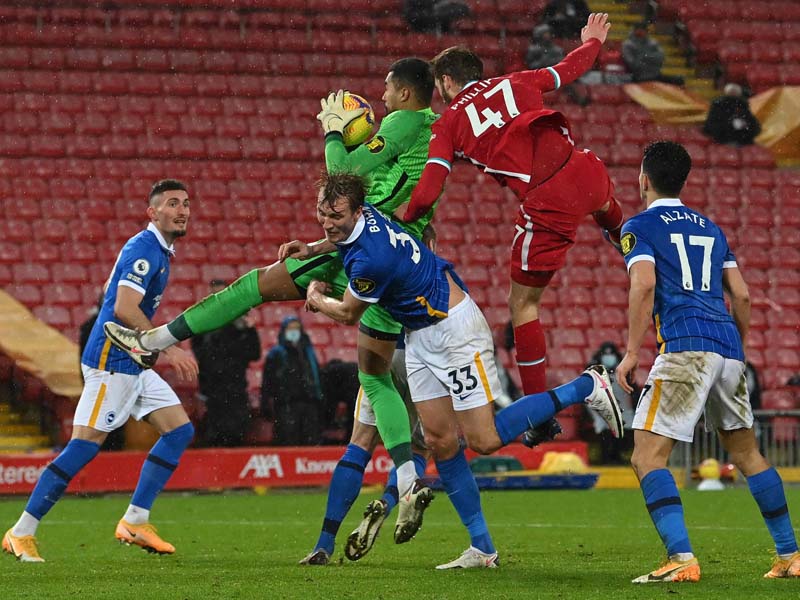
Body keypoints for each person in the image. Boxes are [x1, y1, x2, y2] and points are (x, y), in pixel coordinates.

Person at [104, 58, 454, 547]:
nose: (383, 97)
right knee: (374, 377)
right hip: (404, 256)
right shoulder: (436, 128)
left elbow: (344, 176)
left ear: (405, 92)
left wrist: (335, 133)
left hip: (368, 245)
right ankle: (406, 478)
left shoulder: (404, 121)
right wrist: (316, 244)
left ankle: (155, 340)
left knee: (251, 287)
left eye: (388, 88)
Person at [298, 172, 624, 569]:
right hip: (419, 335)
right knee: (439, 441)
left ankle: (586, 386)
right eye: (321, 212)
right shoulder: (370, 218)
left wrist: (316, 297)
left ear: (358, 211)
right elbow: (339, 240)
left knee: (483, 440)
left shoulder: (371, 258)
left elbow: (349, 313)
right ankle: (483, 549)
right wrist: (312, 247)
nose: (327, 222)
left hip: (454, 330)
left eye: (335, 215)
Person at [401, 13, 624, 444]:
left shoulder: (447, 122)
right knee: (606, 206)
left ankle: (539, 414)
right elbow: (569, 70)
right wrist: (594, 42)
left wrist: (405, 218)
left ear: (447, 82)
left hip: (545, 200)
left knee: (523, 306)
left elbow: (428, 191)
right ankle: (633, 247)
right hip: (582, 168)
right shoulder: (516, 80)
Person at [614, 141, 800, 583]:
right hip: (727, 346)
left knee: (646, 457)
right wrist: (740, 346)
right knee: (748, 453)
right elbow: (743, 294)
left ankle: (681, 558)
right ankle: (790, 555)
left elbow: (642, 285)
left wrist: (632, 352)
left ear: (644, 178)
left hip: (683, 345)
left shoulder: (640, 225)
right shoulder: (711, 228)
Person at [2, 180, 198, 562]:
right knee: (83, 448)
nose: (182, 210)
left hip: (133, 360)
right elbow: (124, 307)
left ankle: (135, 520)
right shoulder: (145, 249)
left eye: (186, 203)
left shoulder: (154, 250)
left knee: (179, 430)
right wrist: (168, 346)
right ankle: (21, 532)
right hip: (112, 363)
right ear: (152, 212)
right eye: (173, 203)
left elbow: (112, 290)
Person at [299, 224, 437, 566]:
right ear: (429, 243)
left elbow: (349, 302)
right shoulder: (431, 271)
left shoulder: (377, 259)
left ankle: (324, 544)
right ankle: (392, 502)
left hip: (383, 355)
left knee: (360, 443)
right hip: (423, 361)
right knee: (419, 447)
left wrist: (319, 293)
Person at [191, 279, 260, 447]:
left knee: (237, 434)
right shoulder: (202, 321)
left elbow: (254, 354)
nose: (219, 299)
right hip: (213, 391)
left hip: (236, 389)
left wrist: (249, 330)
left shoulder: (240, 321)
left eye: (222, 294)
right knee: (215, 436)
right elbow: (199, 351)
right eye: (215, 295)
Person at [262, 316, 323, 446]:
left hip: (309, 402)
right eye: (290, 328)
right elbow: (268, 380)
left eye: (297, 328)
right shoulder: (277, 353)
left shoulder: (308, 351)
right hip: (286, 404)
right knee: (288, 439)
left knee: (310, 439)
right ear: (284, 331)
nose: (294, 331)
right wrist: (266, 402)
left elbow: (316, 375)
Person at [587, 341, 636, 463]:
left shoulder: (624, 373)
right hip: (599, 410)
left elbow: (633, 393)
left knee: (626, 423)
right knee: (605, 425)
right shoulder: (592, 372)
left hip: (622, 410)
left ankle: (620, 455)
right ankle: (606, 457)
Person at [526, 24, 589, 106]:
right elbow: (531, 66)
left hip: (559, 73)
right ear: (539, 35)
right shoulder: (533, 50)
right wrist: (546, 62)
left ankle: (581, 99)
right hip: (543, 74)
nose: (547, 36)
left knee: (570, 79)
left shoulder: (557, 49)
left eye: (548, 33)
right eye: (545, 34)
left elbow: (564, 62)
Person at [404, 0, 470, 33]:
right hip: (420, 30)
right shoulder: (414, 3)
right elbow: (411, 15)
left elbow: (464, 9)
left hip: (443, 31)